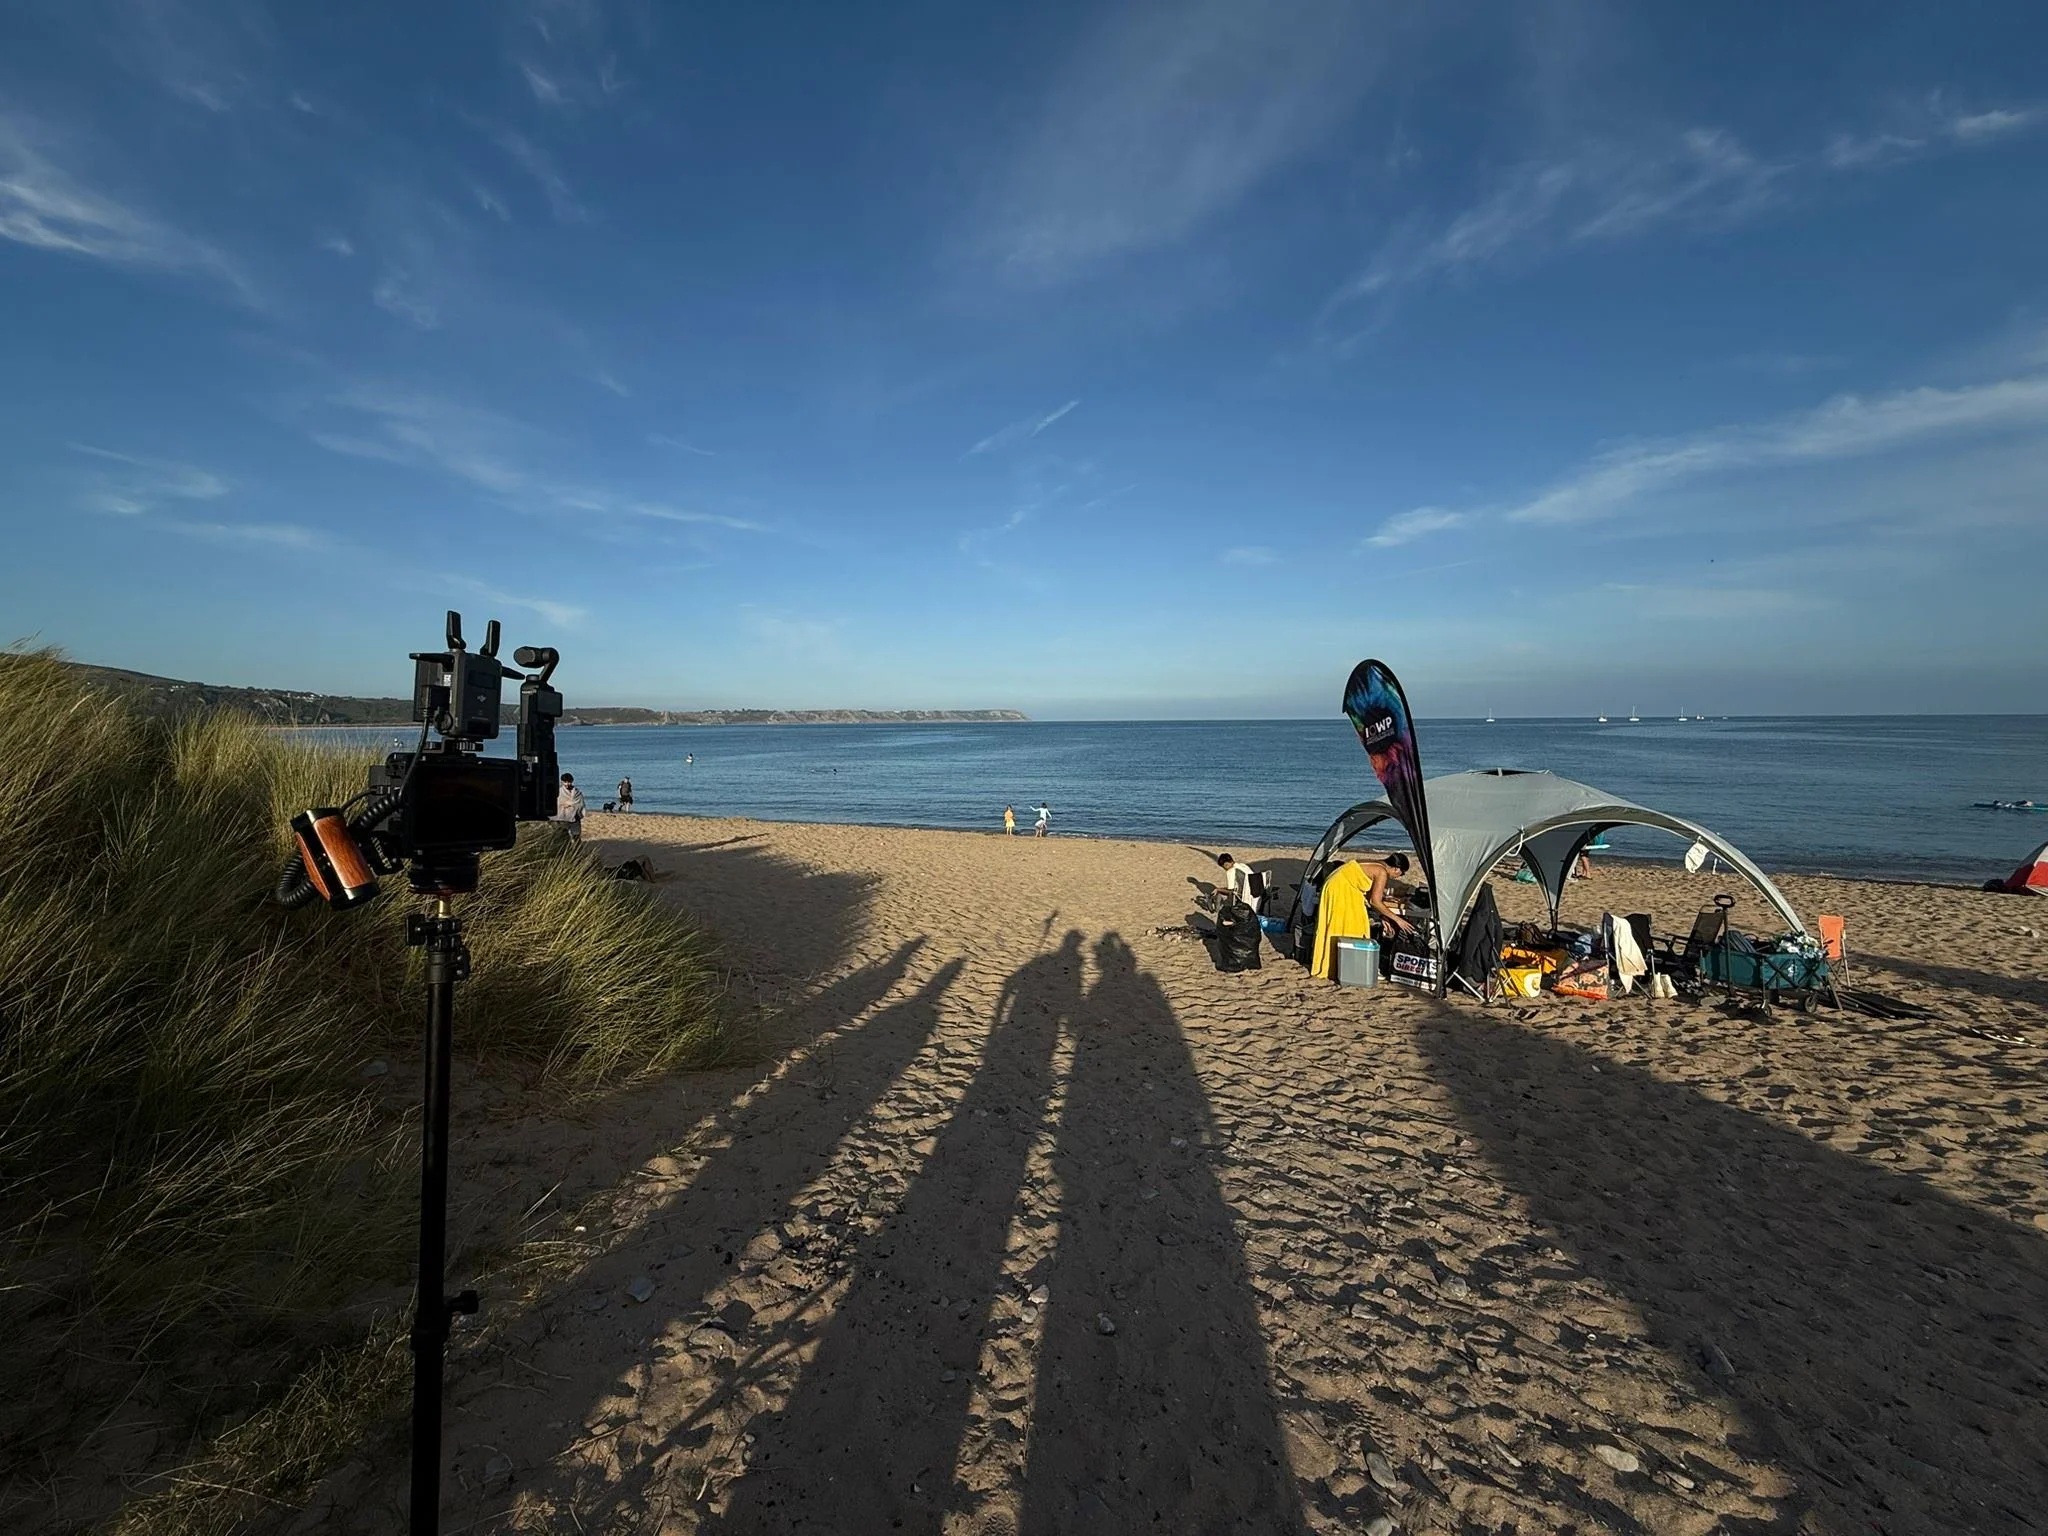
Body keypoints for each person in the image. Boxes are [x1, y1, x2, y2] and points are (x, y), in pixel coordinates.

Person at [1358, 852, 1417, 939]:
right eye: (1402, 873)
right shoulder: (1382, 872)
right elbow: (1375, 901)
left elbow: (1370, 897)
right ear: (1397, 869)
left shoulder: (1375, 865)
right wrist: (1398, 920)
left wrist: (1382, 916)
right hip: (1342, 891)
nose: (1400, 876)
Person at [554, 772, 586, 841]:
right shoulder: (559, 791)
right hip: (562, 817)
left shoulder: (577, 792)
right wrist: (564, 804)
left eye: (569, 782)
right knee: (563, 837)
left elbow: (581, 803)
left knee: (576, 836)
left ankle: (577, 851)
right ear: (562, 782)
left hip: (575, 817)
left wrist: (570, 804)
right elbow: (556, 803)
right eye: (565, 782)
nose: (567, 784)